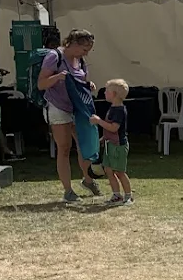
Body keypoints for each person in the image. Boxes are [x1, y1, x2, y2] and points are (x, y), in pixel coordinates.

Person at [36, 28, 101, 203]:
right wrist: (58, 77)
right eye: (84, 49)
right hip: (58, 106)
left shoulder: (80, 61)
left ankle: (88, 180)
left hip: (77, 108)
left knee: (83, 144)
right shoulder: (54, 56)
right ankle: (68, 191)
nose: (86, 53)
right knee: (64, 147)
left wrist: (89, 84)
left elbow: (82, 80)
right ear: (73, 44)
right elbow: (41, 84)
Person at [90, 78, 133, 204]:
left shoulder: (119, 110)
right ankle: (116, 195)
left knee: (120, 172)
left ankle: (128, 196)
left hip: (118, 146)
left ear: (114, 94)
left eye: (107, 91)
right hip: (110, 144)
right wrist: (103, 138)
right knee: (108, 170)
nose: (104, 93)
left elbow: (114, 128)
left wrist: (99, 121)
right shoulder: (113, 108)